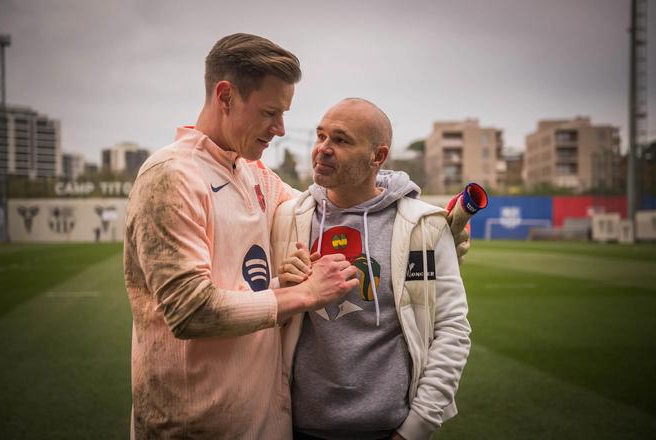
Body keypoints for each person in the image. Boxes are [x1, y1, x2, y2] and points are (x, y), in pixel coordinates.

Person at [123, 34, 360, 439]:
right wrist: (305, 293)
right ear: (226, 96)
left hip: (266, 425)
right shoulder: (170, 177)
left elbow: (328, 212)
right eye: (270, 112)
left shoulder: (255, 174)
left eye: (283, 114)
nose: (280, 129)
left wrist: (427, 231)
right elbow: (191, 310)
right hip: (194, 429)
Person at [271, 98, 471, 440]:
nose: (323, 148)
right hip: (296, 427)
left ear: (377, 156)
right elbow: (260, 312)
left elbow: (452, 328)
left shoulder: (423, 227)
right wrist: (283, 287)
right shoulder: (288, 218)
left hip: (389, 430)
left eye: (341, 140)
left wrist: (416, 428)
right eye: (321, 136)